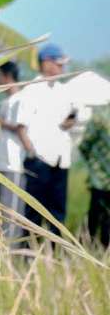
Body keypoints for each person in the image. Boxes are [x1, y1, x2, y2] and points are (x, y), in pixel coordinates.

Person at [14, 43, 83, 238]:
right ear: (46, 63)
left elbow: (67, 122)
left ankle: (54, 251)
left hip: (61, 159)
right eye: (59, 64)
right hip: (39, 160)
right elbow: (21, 127)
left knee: (58, 213)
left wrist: (71, 119)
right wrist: (32, 153)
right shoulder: (31, 90)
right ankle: (29, 251)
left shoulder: (64, 91)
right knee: (34, 213)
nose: (62, 68)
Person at [0, 61, 27, 243]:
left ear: (7, 76)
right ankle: (2, 248)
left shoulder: (20, 100)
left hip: (14, 164)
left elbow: (20, 128)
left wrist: (0, 123)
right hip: (1, 162)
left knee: (12, 214)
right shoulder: (5, 102)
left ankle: (11, 251)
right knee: (1, 212)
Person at [79, 106, 110, 247]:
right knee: (96, 214)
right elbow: (84, 145)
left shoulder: (100, 116)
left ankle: (101, 248)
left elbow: (84, 146)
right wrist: (95, 164)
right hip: (100, 177)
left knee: (101, 216)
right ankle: (86, 246)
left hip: (99, 175)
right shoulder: (100, 117)